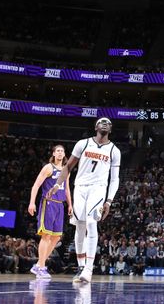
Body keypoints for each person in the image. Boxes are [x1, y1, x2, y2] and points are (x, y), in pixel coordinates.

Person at [49, 117, 121, 284]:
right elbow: (68, 167)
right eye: (102, 122)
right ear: (95, 126)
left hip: (98, 189)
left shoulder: (114, 151)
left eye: (108, 123)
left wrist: (109, 201)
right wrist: (57, 184)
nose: (105, 124)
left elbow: (115, 179)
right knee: (80, 226)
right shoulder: (83, 143)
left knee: (90, 223)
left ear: (110, 129)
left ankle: (89, 268)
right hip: (80, 187)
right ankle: (81, 267)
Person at [27, 144, 73, 279]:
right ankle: (41, 267)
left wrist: (70, 204)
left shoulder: (66, 170)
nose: (60, 153)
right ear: (53, 153)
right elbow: (36, 185)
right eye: (57, 151)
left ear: (64, 154)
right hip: (49, 203)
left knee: (57, 237)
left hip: (60, 205)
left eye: (62, 151)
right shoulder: (48, 168)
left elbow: (67, 189)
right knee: (46, 235)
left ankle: (39, 264)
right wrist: (31, 202)